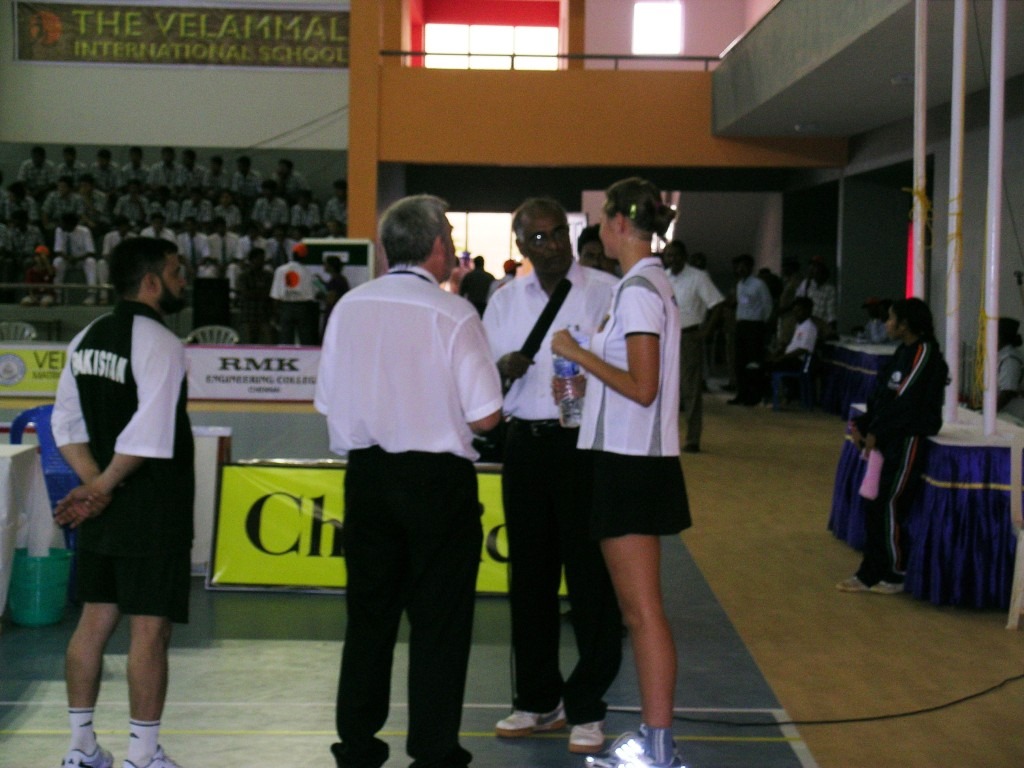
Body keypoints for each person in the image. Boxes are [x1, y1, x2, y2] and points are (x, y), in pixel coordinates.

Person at [315, 194, 502, 768]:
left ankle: (357, 743)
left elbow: (328, 400)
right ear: (438, 247)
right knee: (440, 622)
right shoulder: (454, 314)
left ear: (386, 247)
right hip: (437, 481)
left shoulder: (349, 307)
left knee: (369, 617)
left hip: (368, 476)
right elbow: (486, 417)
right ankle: (433, 748)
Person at [551, 177, 689, 768]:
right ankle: (656, 744)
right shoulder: (647, 284)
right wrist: (586, 387)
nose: (599, 229)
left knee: (642, 611)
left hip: (630, 465)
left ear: (619, 224)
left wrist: (578, 354)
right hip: (631, 458)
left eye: (603, 218)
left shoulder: (636, 291)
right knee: (641, 609)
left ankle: (659, 749)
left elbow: (644, 386)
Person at [482, 197, 621, 756]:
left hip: (585, 447)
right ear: (520, 246)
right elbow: (483, 378)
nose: (552, 245)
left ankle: (587, 707)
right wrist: (502, 368)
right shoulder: (503, 301)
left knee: (590, 580)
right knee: (531, 580)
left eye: (558, 233)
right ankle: (538, 700)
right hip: (526, 445)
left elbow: (629, 371)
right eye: (538, 238)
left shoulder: (606, 292)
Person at [51, 236, 193, 768]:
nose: (183, 280)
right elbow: (148, 434)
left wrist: (93, 487)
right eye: (176, 272)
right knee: (150, 629)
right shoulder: (161, 343)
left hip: (104, 506)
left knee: (93, 620)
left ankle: (81, 748)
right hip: (152, 505)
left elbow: (65, 424)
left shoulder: (85, 337)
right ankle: (142, 755)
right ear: (151, 282)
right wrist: (102, 488)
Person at [841, 298, 948, 595]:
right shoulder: (901, 352)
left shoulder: (925, 353)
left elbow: (907, 400)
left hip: (907, 437)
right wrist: (864, 424)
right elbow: (883, 395)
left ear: (906, 324)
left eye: (890, 319)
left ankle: (895, 571)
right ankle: (870, 570)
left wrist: (877, 430)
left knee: (888, 503)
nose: (886, 324)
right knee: (874, 502)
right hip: (886, 436)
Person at [663, 239, 724, 453]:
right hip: (667, 337)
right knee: (668, 389)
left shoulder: (698, 277)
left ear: (684, 256)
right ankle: (667, 437)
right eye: (669, 255)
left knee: (690, 389)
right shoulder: (664, 277)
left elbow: (718, 304)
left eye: (676, 255)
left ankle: (692, 438)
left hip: (689, 337)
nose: (672, 259)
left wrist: (706, 331)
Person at [728, 253, 773, 405]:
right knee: (739, 361)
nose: (740, 269)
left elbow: (767, 305)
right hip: (741, 324)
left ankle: (754, 395)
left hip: (755, 325)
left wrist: (762, 324)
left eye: (743, 266)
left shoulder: (759, 284)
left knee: (753, 362)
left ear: (750, 267)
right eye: (738, 267)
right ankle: (741, 393)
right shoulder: (740, 284)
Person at [269, 241, 319, 345]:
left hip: (285, 306)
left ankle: (286, 354)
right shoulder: (307, 272)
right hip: (303, 307)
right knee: (305, 337)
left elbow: (275, 294)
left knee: (285, 337)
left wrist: (275, 312)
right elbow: (311, 295)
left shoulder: (280, 270)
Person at [796, 257, 838, 340]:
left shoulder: (830, 289)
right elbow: (798, 302)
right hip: (806, 324)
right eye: (812, 269)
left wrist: (831, 329)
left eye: (817, 269)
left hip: (820, 326)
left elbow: (831, 312)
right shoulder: (806, 284)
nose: (814, 272)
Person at [997, 317, 1024, 418]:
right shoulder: (1001, 355)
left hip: (1011, 415)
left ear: (1000, 337)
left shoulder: (1010, 359)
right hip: (1002, 414)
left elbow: (1007, 392)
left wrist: (988, 412)